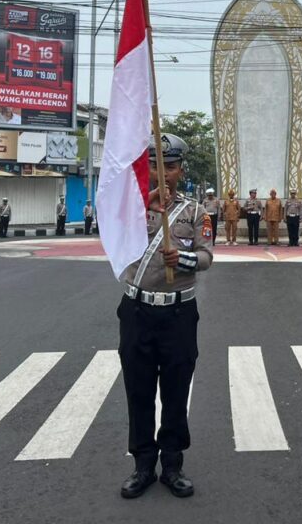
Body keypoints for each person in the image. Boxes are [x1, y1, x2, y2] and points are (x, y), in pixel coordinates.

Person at [117, 133, 213, 500]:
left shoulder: (195, 212)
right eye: (157, 166)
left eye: (170, 167)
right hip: (137, 310)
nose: (164, 174)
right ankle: (143, 464)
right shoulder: (133, 207)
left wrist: (183, 260)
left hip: (178, 313)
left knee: (175, 390)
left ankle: (172, 464)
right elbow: (112, 232)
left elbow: (206, 256)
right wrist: (143, 203)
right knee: (138, 390)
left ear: (180, 170)